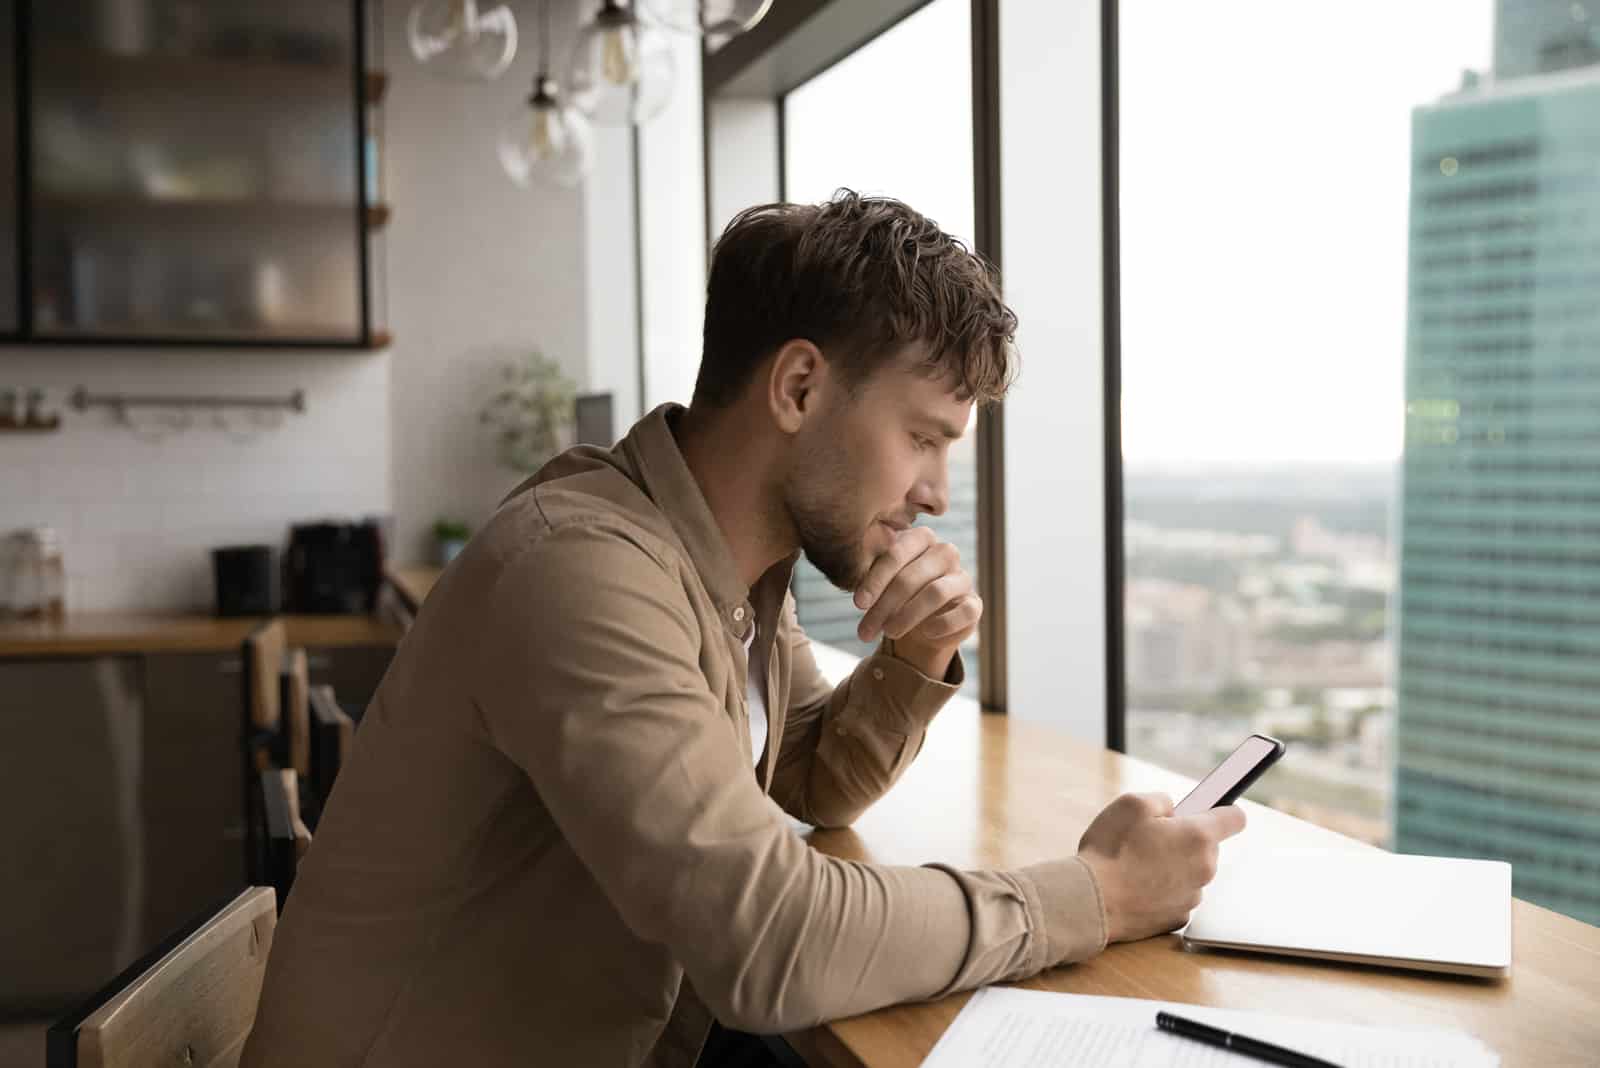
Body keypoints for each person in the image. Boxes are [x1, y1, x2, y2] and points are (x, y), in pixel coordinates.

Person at [240, 191, 1245, 1068]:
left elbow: (808, 773)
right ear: (798, 388)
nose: (937, 493)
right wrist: (1096, 896)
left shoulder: (730, 572)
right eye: (923, 438)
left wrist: (914, 654)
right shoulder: (581, 569)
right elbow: (771, 945)